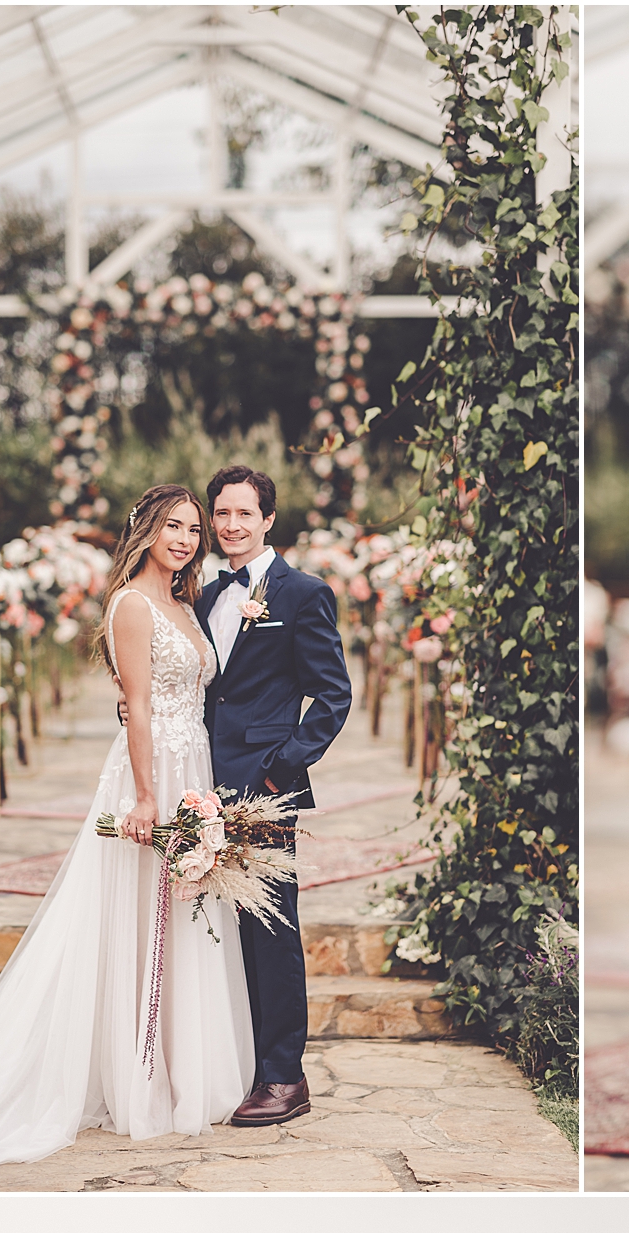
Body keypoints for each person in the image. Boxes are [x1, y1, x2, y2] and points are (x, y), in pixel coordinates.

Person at [0, 485, 254, 1168]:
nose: (185, 538)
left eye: (193, 529)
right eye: (172, 526)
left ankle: (187, 1069)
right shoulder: (131, 604)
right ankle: (137, 1078)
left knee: (186, 918)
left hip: (195, 767)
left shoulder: (187, 601)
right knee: (141, 919)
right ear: (147, 529)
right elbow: (139, 707)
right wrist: (148, 798)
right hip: (151, 774)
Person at [196, 465, 352, 1129]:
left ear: (267, 519)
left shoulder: (302, 592)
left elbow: (333, 694)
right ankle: (230, 1061)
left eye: (243, 514)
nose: (231, 525)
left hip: (261, 787)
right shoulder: (202, 595)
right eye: (222, 514)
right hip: (199, 781)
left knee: (270, 927)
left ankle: (285, 1075)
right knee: (211, 925)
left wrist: (279, 766)